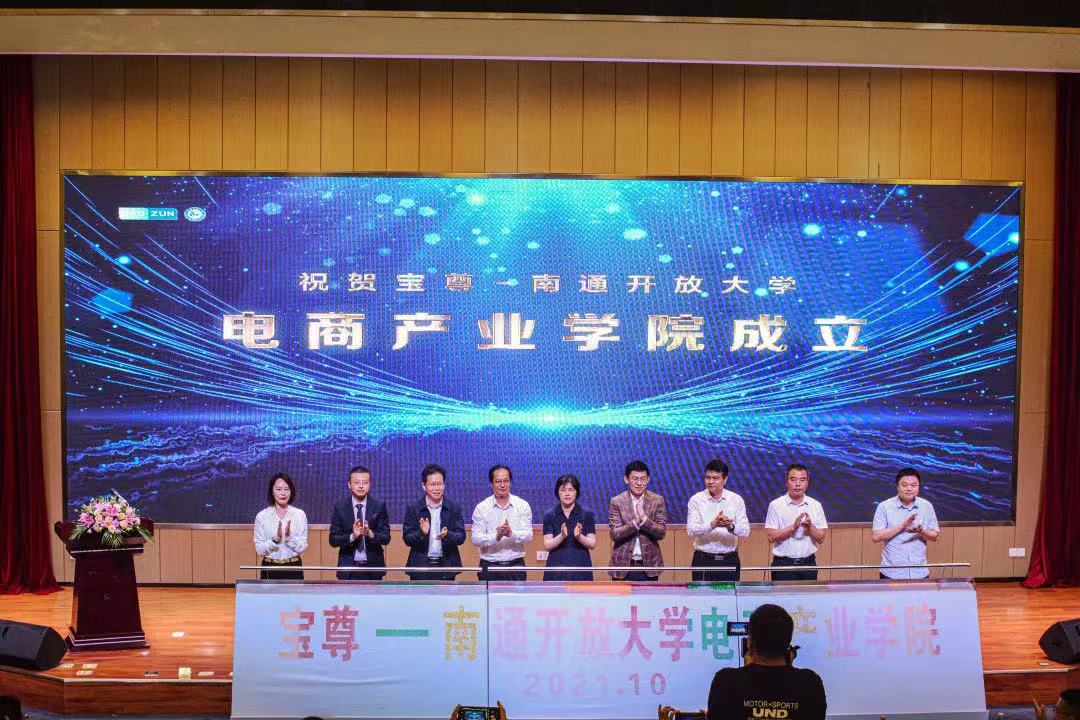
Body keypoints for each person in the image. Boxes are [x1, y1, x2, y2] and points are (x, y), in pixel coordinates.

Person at [707, 604, 826, 720]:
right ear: (788, 640)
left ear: (750, 640)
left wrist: (747, 673)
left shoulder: (726, 681)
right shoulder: (810, 683)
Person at [686, 459, 749, 582]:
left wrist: (730, 526)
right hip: (703, 560)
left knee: (730, 594)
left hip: (729, 560)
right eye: (707, 478)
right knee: (701, 594)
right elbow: (691, 530)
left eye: (715, 478)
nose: (710, 482)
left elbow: (745, 531)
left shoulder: (736, 500)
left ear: (725, 480)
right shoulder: (696, 500)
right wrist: (712, 525)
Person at [872, 467, 940, 580]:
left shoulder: (927, 506)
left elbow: (934, 536)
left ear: (918, 487)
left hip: (920, 571)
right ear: (897, 487)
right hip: (892, 573)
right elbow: (876, 537)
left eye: (913, 485)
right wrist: (902, 526)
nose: (909, 489)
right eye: (904, 485)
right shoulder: (884, 506)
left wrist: (921, 531)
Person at [402, 463, 466, 581]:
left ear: (444, 484)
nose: (436, 488)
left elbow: (461, 537)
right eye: (432, 484)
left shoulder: (454, 508)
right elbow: (407, 539)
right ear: (424, 486)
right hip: (420, 567)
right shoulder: (413, 508)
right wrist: (422, 533)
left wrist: (447, 535)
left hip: (446, 567)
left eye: (440, 484)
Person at [764, 464, 828, 581]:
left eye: (802, 480)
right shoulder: (775, 505)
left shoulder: (815, 505)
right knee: (782, 594)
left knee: (809, 594)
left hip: (808, 564)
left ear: (807, 482)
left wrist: (810, 527)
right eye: (793, 480)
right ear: (786, 481)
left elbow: (821, 538)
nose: (798, 484)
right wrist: (793, 527)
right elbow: (771, 537)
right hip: (783, 565)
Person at [471, 464, 533, 581]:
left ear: (510, 482)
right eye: (498, 481)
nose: (502, 485)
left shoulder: (522, 505)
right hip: (489, 566)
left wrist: (511, 533)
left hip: (516, 566)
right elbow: (475, 539)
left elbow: (528, 536)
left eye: (506, 481)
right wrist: (496, 536)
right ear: (491, 484)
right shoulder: (481, 507)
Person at [329, 465, 391, 580]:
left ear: (370, 484)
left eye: (365, 482)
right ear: (349, 484)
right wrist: (352, 536)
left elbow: (386, 538)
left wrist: (370, 534)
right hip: (348, 569)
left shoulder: (379, 505)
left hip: (373, 569)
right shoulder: (340, 507)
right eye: (357, 482)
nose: (361, 486)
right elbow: (333, 540)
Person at [609, 460, 667, 581]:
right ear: (626, 479)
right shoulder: (617, 501)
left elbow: (661, 533)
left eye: (643, 479)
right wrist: (635, 523)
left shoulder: (657, 500)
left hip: (649, 566)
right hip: (622, 566)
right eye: (635, 479)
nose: (639, 483)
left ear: (648, 479)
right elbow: (615, 534)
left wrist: (645, 520)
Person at [253, 472, 308, 580]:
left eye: (287, 489)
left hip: (294, 567)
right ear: (272, 492)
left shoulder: (299, 515)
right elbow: (259, 550)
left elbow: (302, 547)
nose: (283, 493)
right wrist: (276, 540)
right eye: (278, 489)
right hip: (270, 567)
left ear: (291, 492)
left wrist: (289, 537)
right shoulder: (262, 516)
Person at [542, 474, 597, 581]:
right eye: (563, 490)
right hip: (556, 568)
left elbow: (592, 544)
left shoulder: (587, 514)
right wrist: (561, 536)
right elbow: (547, 545)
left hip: (581, 567)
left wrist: (579, 537)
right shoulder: (549, 515)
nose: (567, 493)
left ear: (577, 492)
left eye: (571, 490)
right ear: (557, 492)